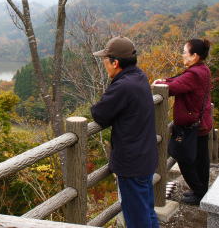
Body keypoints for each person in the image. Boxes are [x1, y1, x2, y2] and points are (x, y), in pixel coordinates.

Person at [91, 36, 159, 228]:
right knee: (147, 210)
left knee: (137, 218)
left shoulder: (123, 86)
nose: (104, 63)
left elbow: (99, 113)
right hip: (145, 156)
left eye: (105, 59)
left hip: (132, 163)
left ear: (115, 62)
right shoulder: (139, 76)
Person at [153, 38, 212, 205]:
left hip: (191, 125)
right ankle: (201, 192)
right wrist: (164, 80)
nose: (182, 54)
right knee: (201, 158)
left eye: (185, 52)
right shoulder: (202, 69)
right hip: (201, 122)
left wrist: (161, 83)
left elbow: (174, 86)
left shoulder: (194, 74)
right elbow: (178, 79)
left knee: (182, 155)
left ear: (194, 56)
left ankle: (199, 192)